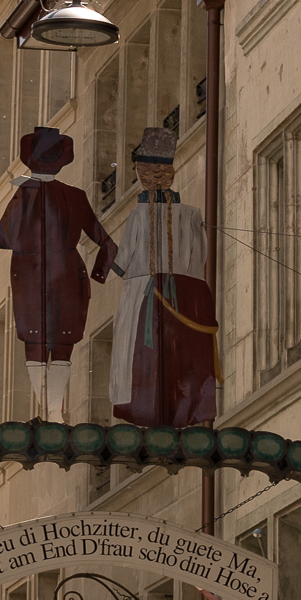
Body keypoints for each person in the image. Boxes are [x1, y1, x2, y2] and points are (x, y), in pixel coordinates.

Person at [0, 126, 118, 420]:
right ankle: (53, 411)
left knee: (35, 345)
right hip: (66, 274)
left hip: (31, 274)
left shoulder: (24, 194)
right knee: (61, 346)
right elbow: (107, 243)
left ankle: (49, 410)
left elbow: (2, 238)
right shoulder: (73, 195)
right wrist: (97, 275)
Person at [108, 126, 219, 427]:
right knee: (175, 354)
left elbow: (119, 263)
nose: (149, 178)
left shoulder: (141, 216)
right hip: (185, 295)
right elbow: (202, 257)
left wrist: (103, 262)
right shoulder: (192, 215)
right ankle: (177, 410)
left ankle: (158, 410)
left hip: (149, 294)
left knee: (152, 353)